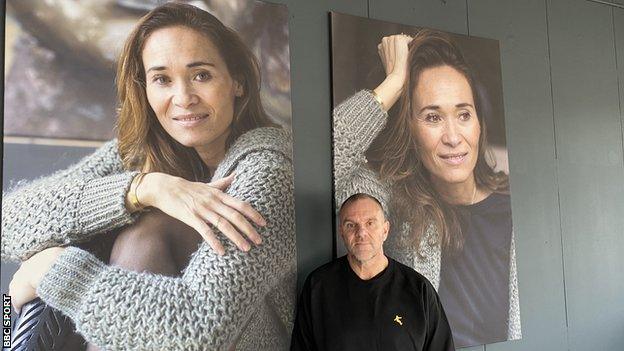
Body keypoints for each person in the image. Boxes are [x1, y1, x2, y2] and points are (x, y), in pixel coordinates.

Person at [2, 3, 295, 350]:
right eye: (162, 79)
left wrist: (51, 271)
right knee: (74, 232)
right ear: (145, 89)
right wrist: (144, 189)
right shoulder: (142, 153)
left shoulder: (268, 169)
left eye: (201, 75)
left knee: (145, 232)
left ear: (238, 83)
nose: (183, 98)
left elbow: (198, 331)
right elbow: (10, 222)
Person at [332, 30, 521, 347]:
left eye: (463, 114)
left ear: (479, 123)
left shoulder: (516, 209)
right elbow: (316, 164)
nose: (453, 136)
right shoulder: (391, 202)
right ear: (409, 131)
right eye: (433, 117)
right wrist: (394, 81)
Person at [291, 193, 454, 351]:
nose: (361, 233)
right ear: (342, 232)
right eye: (351, 225)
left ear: (385, 230)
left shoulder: (418, 289)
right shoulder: (318, 287)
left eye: (370, 223)